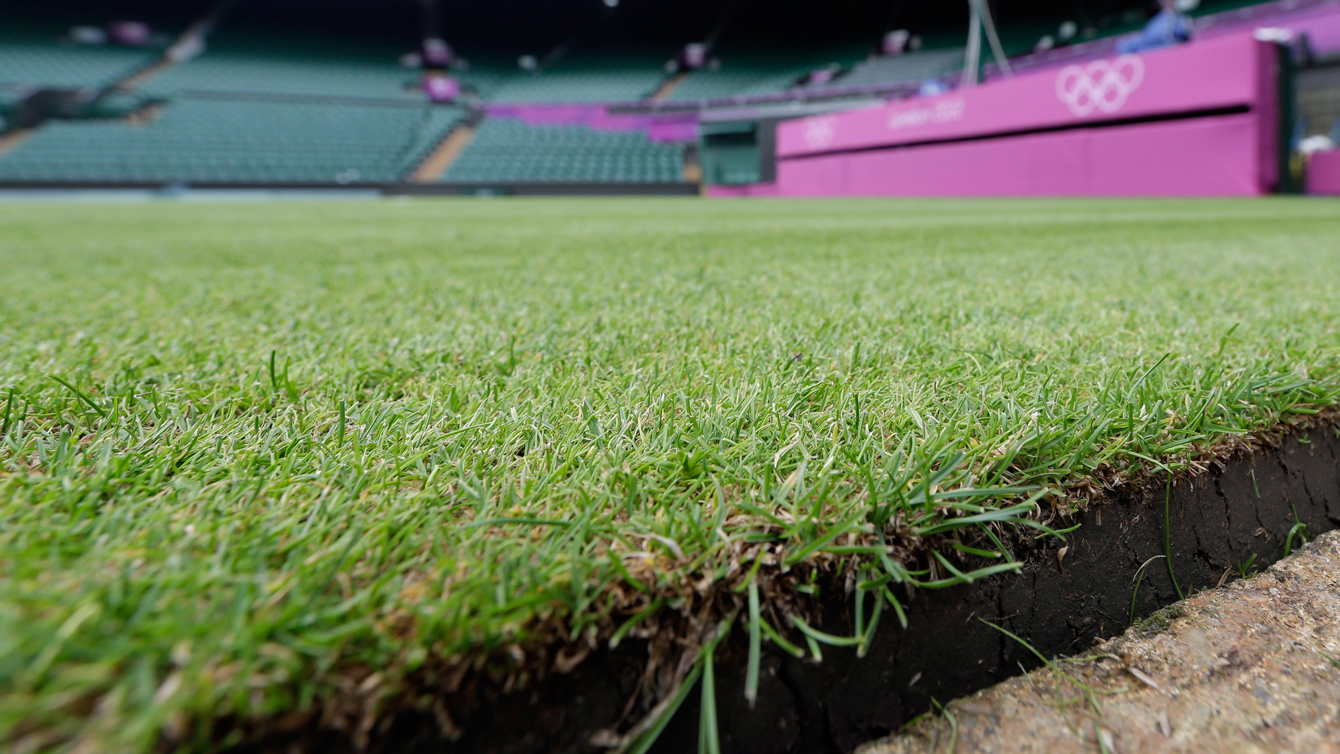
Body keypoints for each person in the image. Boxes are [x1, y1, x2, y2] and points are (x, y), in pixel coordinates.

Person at [1117, 0, 1193, 53]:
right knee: (1124, 44)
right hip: (1150, 53)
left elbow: (1185, 37)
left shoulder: (1181, 20)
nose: (1167, 2)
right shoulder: (1157, 22)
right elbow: (1144, 39)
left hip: (1169, 52)